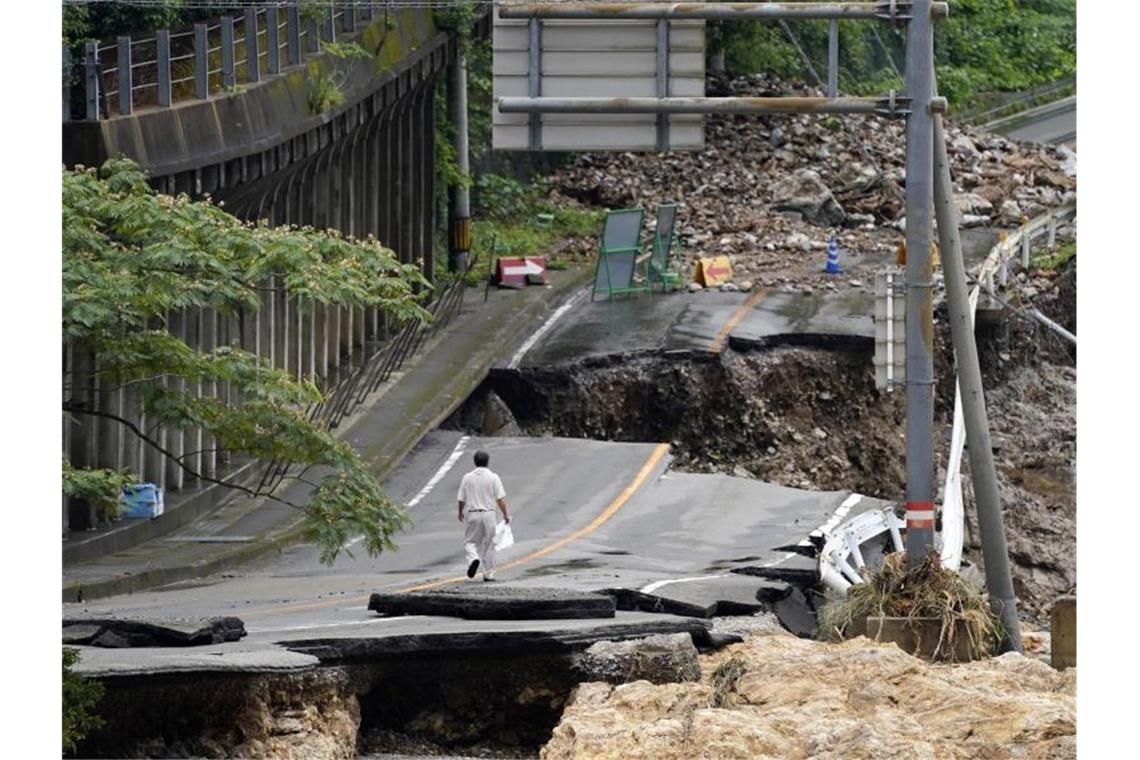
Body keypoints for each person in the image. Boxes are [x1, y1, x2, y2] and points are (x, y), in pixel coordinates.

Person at [457, 449, 510, 582]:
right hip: (489, 514)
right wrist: (505, 514)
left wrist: (460, 512)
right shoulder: (493, 477)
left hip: (474, 514)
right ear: (487, 462)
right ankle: (488, 573)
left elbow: (461, 498)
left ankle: (474, 559)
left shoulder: (467, 477)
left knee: (470, 542)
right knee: (491, 543)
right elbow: (500, 499)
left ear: (475, 462)